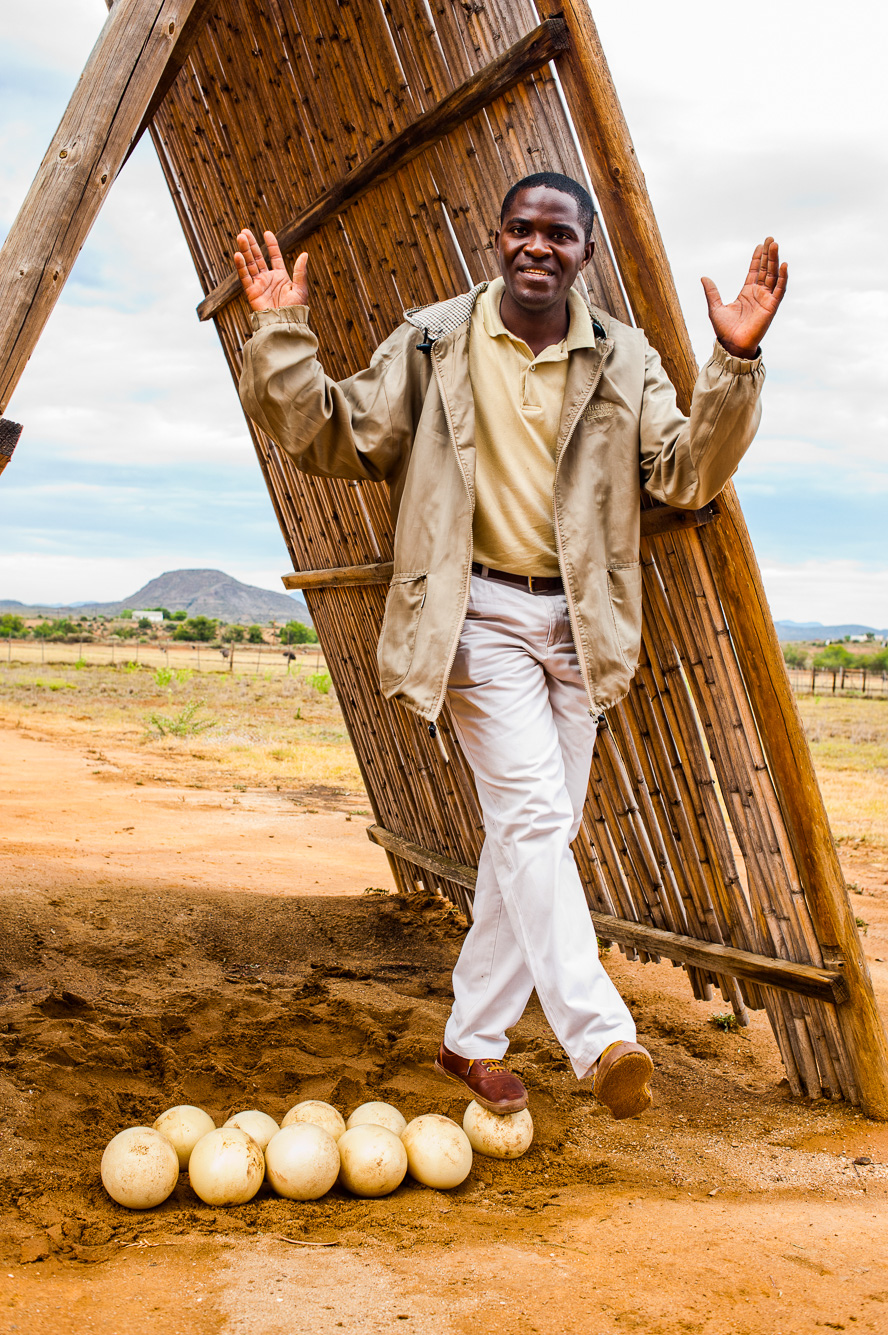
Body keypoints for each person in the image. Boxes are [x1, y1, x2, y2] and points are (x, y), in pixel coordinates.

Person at [235, 172, 786, 1121]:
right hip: (473, 612)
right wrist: (283, 335)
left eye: (559, 234)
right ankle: (601, 1033)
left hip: (581, 625)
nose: (539, 245)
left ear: (583, 252)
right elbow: (337, 436)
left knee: (529, 838)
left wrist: (733, 366)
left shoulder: (622, 357)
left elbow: (685, 472)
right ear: (497, 240)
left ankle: (469, 1040)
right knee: (534, 819)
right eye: (522, 229)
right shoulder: (435, 340)